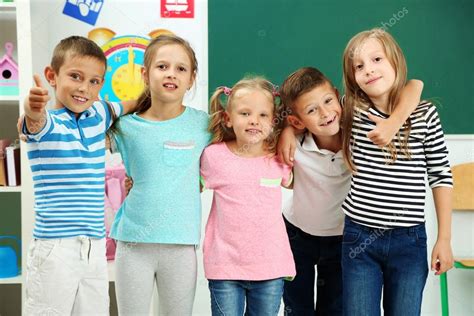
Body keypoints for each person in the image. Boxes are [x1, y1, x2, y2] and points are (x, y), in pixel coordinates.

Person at [278, 67, 423, 315]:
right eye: (312, 110)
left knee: (334, 309)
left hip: (344, 240)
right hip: (297, 236)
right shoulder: (295, 144)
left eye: (328, 101)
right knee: (296, 308)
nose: (325, 114)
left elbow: (415, 85)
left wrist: (394, 122)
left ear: (338, 96)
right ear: (297, 121)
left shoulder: (361, 133)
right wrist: (286, 131)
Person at [340, 28, 453, 315]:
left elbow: (440, 175)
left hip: (409, 240)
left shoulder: (425, 114)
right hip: (359, 238)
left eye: (377, 59)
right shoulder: (351, 109)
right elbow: (311, 108)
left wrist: (444, 238)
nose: (369, 70)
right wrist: (290, 132)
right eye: (359, 66)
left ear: (395, 61)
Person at [22, 36, 136, 315]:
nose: (85, 88)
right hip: (55, 249)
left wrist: (153, 96)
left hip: (95, 247)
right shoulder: (48, 124)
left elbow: (127, 105)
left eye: (95, 81)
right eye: (75, 76)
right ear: (52, 76)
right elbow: (31, 121)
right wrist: (31, 107)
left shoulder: (99, 112)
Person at [108, 34, 210, 315]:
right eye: (162, 66)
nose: (171, 74)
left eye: (181, 69)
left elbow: (239, 145)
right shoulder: (125, 127)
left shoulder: (203, 124)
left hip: (180, 245)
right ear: (145, 74)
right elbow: (86, 130)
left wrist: (199, 180)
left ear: (191, 79)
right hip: (133, 244)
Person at [200, 77, 296, 315]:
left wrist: (290, 131)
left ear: (273, 122)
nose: (254, 120)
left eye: (263, 115)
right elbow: (189, 186)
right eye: (245, 113)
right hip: (225, 268)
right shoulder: (214, 157)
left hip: (270, 268)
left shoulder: (279, 158)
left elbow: (303, 184)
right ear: (228, 119)